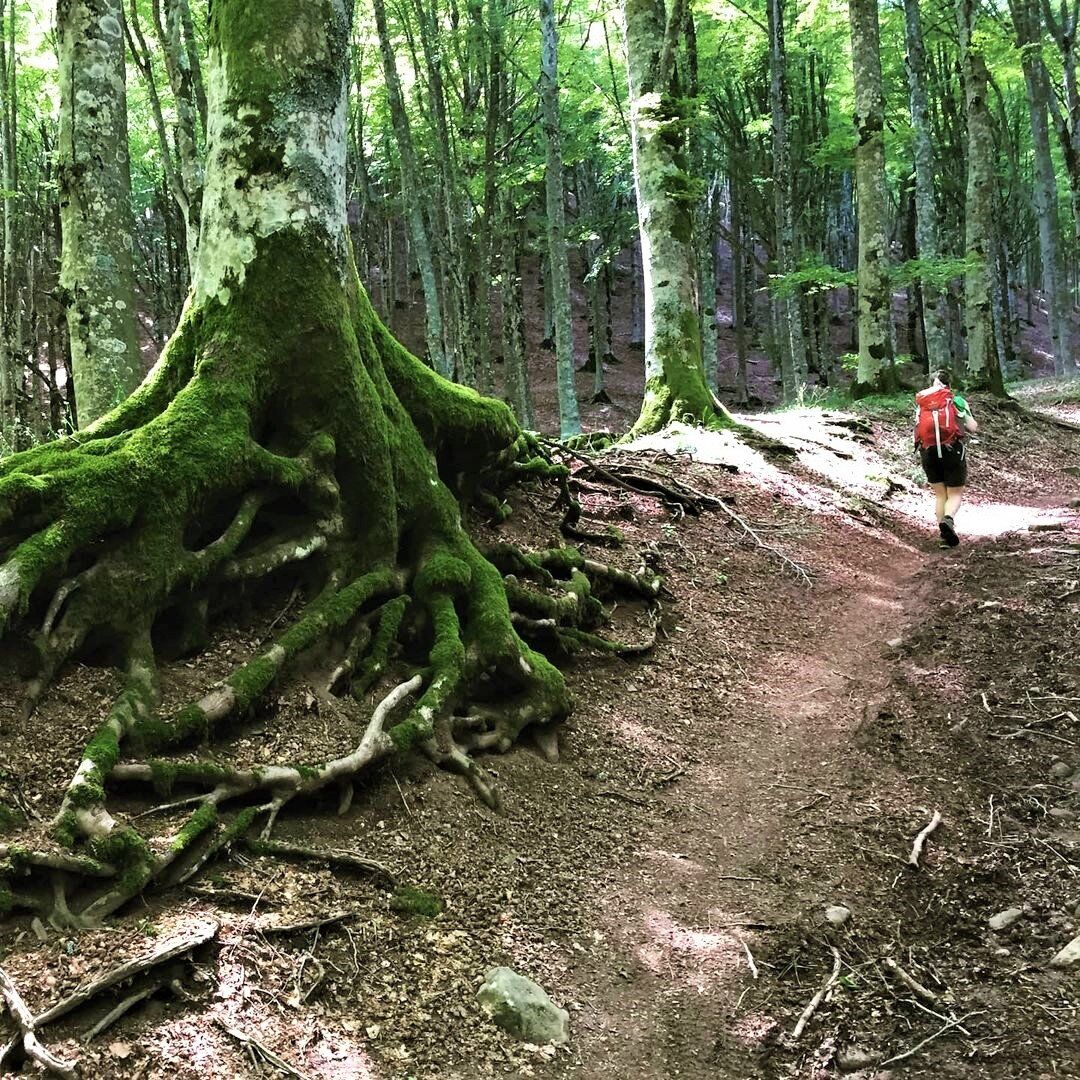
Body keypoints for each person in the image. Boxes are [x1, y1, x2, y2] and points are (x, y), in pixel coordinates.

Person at [914, 370, 978, 547]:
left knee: (940, 494)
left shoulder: (922, 402)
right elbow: (972, 427)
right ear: (950, 385)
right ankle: (948, 520)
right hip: (952, 450)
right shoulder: (955, 400)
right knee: (955, 493)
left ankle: (943, 538)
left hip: (928, 451)